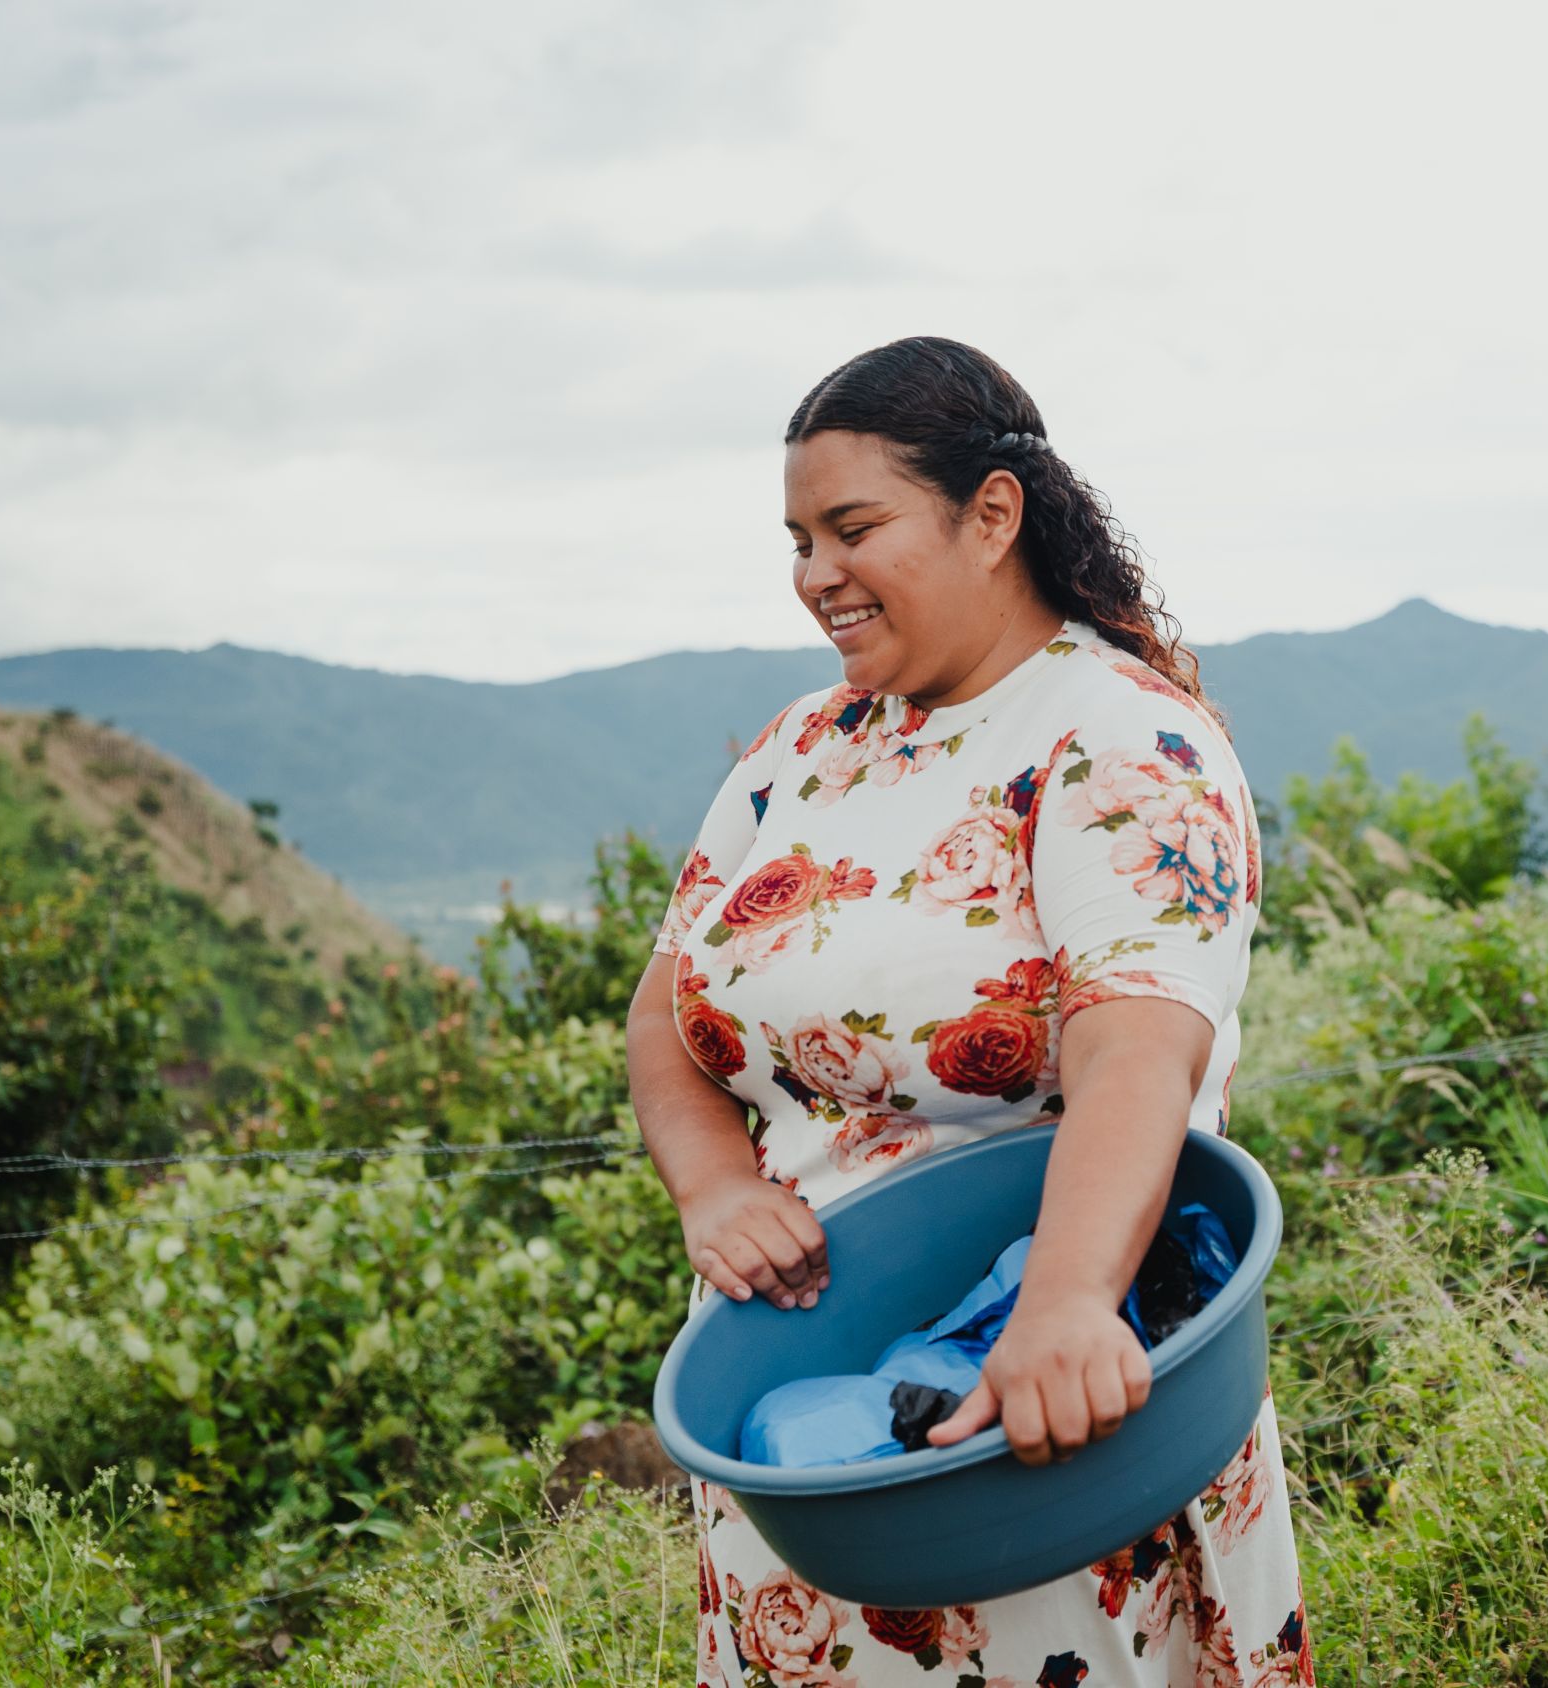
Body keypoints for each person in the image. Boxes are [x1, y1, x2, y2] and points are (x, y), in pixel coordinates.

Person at [627, 336, 1313, 1687]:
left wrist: (1065, 1305)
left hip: (1036, 1425)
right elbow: (670, 1009)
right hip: (815, 1433)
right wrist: (709, 1186)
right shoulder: (802, 753)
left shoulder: (1117, 739)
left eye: (853, 528)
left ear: (990, 514)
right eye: (798, 539)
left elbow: (1137, 1046)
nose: (816, 574)